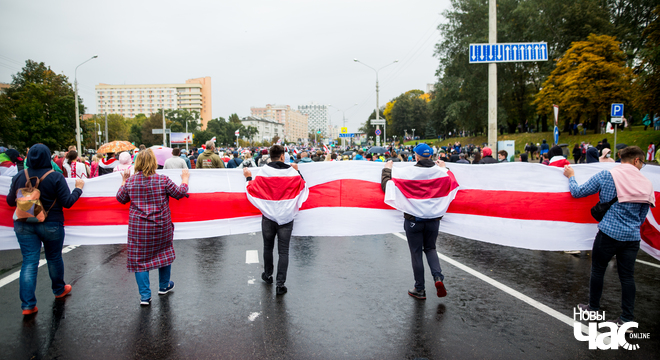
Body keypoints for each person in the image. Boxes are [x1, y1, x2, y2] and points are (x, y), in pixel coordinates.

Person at [563, 146, 653, 329]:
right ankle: (626, 319)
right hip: (631, 238)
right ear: (636, 160)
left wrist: (571, 175)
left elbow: (578, 192)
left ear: (621, 157)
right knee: (627, 277)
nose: (642, 166)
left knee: (598, 270)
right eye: (642, 162)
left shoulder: (606, 175)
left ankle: (593, 308)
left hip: (608, 234)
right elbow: (643, 215)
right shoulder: (646, 183)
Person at [6, 144, 85, 315]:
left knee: (29, 262)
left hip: (24, 223)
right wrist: (78, 188)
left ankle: (28, 305)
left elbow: (10, 202)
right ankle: (59, 289)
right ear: (48, 157)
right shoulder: (55, 177)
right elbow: (68, 202)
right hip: (51, 223)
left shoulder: (19, 176)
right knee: (54, 257)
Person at [381, 143, 456, 300]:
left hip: (414, 220)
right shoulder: (440, 172)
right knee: (430, 248)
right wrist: (446, 167)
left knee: (416, 253)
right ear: (431, 156)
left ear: (415, 156)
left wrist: (387, 169)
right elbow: (452, 183)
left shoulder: (408, 172)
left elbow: (387, 186)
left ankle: (419, 289)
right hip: (433, 220)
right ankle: (438, 278)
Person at [116, 149, 190, 306]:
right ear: (153, 162)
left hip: (139, 228)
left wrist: (124, 181)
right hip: (161, 225)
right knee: (164, 253)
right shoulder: (163, 180)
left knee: (139, 260)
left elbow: (121, 198)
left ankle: (145, 296)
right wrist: (185, 179)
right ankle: (164, 286)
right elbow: (179, 193)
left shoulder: (131, 182)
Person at [244, 145, 308, 295]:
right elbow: (303, 186)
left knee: (268, 247)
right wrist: (297, 170)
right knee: (283, 251)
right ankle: (280, 285)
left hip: (268, 217)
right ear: (282, 157)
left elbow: (251, 188)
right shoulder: (292, 173)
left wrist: (247, 177)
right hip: (286, 218)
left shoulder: (263, 172)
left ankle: (267, 275)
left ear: (270, 157)